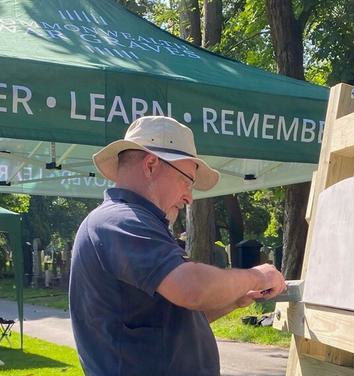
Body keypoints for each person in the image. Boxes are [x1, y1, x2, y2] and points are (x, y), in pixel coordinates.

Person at [69, 116, 286, 376]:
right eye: (187, 181)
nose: (189, 197)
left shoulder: (132, 223)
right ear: (150, 165)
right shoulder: (121, 220)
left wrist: (233, 301)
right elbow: (191, 289)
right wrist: (258, 276)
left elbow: (168, 322)